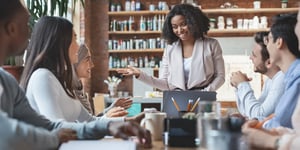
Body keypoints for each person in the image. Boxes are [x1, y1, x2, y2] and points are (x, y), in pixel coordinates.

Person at [0, 1, 151, 149]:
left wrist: (114, 125)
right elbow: (12, 135)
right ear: (11, 28)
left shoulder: (8, 82)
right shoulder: (42, 77)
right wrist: (57, 136)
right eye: (75, 38)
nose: (30, 31)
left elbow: (53, 126)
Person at [118, 3, 225, 91]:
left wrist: (205, 92)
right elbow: (164, 83)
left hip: (204, 100)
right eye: (175, 27)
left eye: (183, 24)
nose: (179, 30)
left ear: (194, 22)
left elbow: (220, 76)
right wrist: (139, 75)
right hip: (176, 100)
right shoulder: (170, 49)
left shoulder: (211, 45)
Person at [242, 11, 300, 149]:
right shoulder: (289, 77)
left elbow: (281, 122)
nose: (267, 46)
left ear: (279, 42)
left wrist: (261, 130)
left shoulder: (296, 76)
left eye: (269, 40)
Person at [230, 31, 284, 120]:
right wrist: (238, 87)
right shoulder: (271, 80)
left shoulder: (281, 79)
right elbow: (249, 113)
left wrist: (243, 85)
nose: (250, 58)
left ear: (269, 62)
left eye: (254, 55)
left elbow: (259, 115)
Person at [73, 44, 132, 117]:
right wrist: (107, 115)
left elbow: (91, 120)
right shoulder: (70, 93)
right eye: (87, 59)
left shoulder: (79, 89)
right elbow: (88, 124)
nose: (92, 65)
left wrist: (111, 108)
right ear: (76, 61)